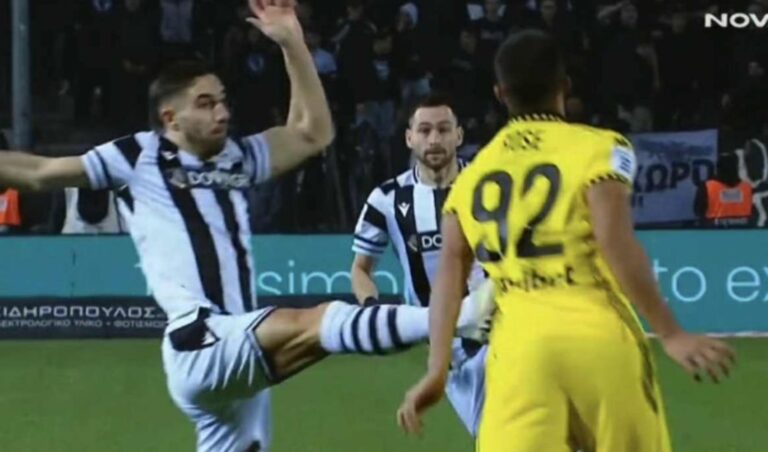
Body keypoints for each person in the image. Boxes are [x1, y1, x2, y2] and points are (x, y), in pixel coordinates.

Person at [0, 2, 489, 451]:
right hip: (201, 339)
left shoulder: (236, 157)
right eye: (206, 103)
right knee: (319, 322)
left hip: (238, 340)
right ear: (170, 117)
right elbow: (40, 172)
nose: (223, 112)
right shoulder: (139, 154)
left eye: (222, 100)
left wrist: (293, 43)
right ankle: (457, 316)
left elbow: (312, 133)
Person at [397, 30, 736, 452]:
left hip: (518, 351)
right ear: (565, 86)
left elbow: (449, 279)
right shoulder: (599, 148)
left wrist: (437, 369)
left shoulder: (472, 176)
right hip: (596, 335)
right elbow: (615, 242)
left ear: (500, 93)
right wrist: (670, 334)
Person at [351, 94, 490, 436]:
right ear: (409, 138)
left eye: (443, 129)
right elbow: (360, 269)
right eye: (425, 130)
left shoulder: (489, 185)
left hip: (496, 334)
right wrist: (372, 308)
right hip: (446, 350)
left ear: (459, 135)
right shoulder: (386, 199)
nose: (434, 139)